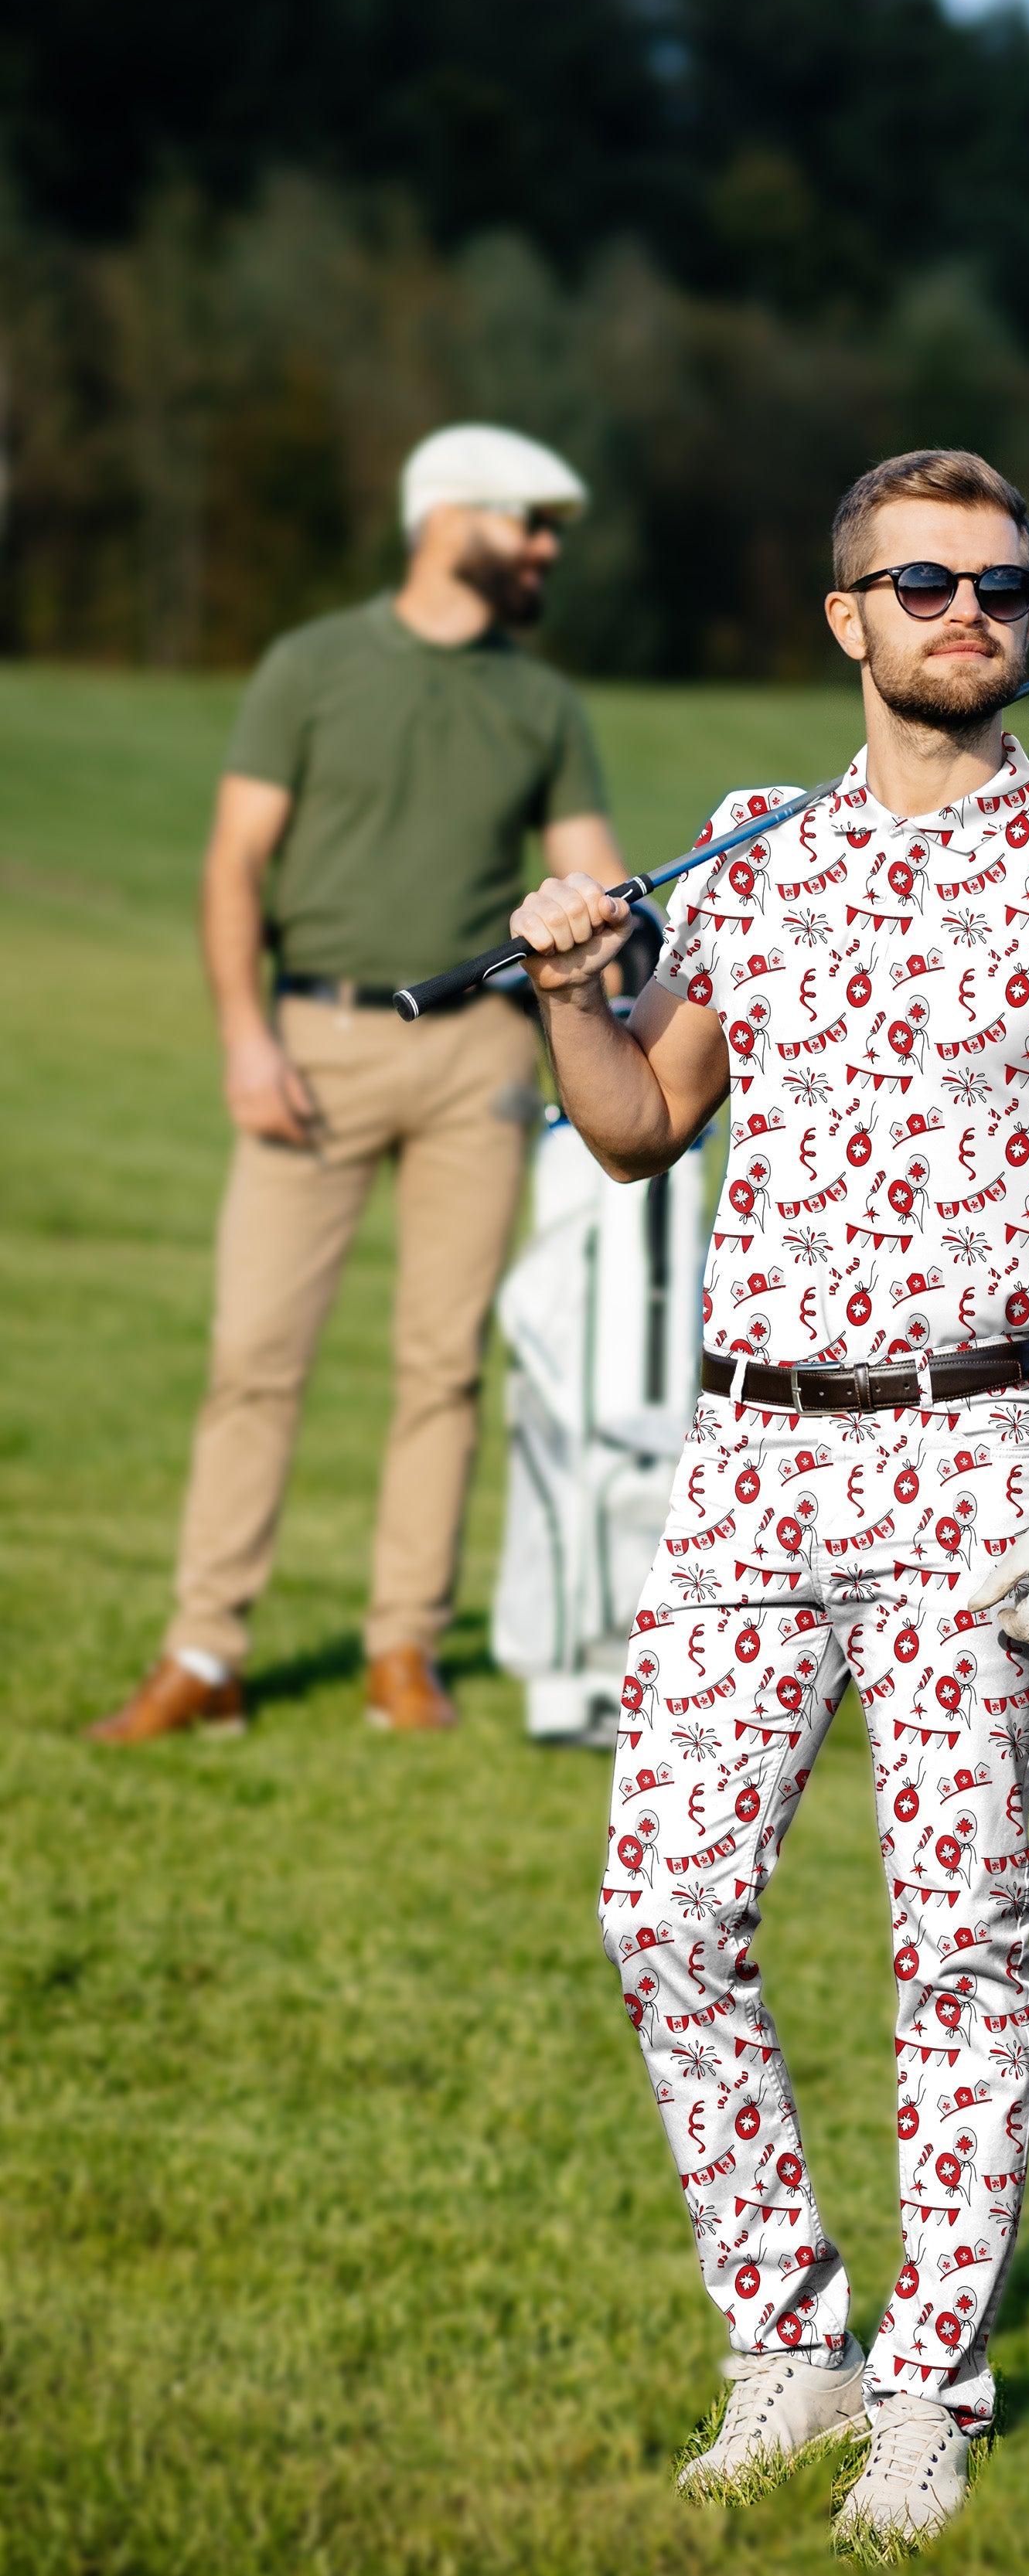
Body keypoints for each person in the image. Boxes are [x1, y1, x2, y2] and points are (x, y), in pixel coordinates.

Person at [508, 448, 1029, 2551]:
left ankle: (930, 2385)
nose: (966, 610)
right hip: (747, 1457)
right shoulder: (751, 853)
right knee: (666, 1910)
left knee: (956, 1943)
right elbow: (638, 1125)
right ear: (851, 621)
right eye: (921, 582)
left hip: (973, 1457)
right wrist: (568, 984)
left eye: (1000, 582)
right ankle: (784, 2334)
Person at [87, 424, 625, 1744]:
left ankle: (403, 1654)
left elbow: (600, 876)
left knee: (442, 1364)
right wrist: (244, 1039)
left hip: (481, 1061)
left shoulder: (542, 701)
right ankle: (206, 1651)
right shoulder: (310, 667)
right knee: (253, 1356)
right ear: (449, 520)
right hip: (312, 1042)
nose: (548, 548)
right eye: (529, 522)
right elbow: (234, 865)